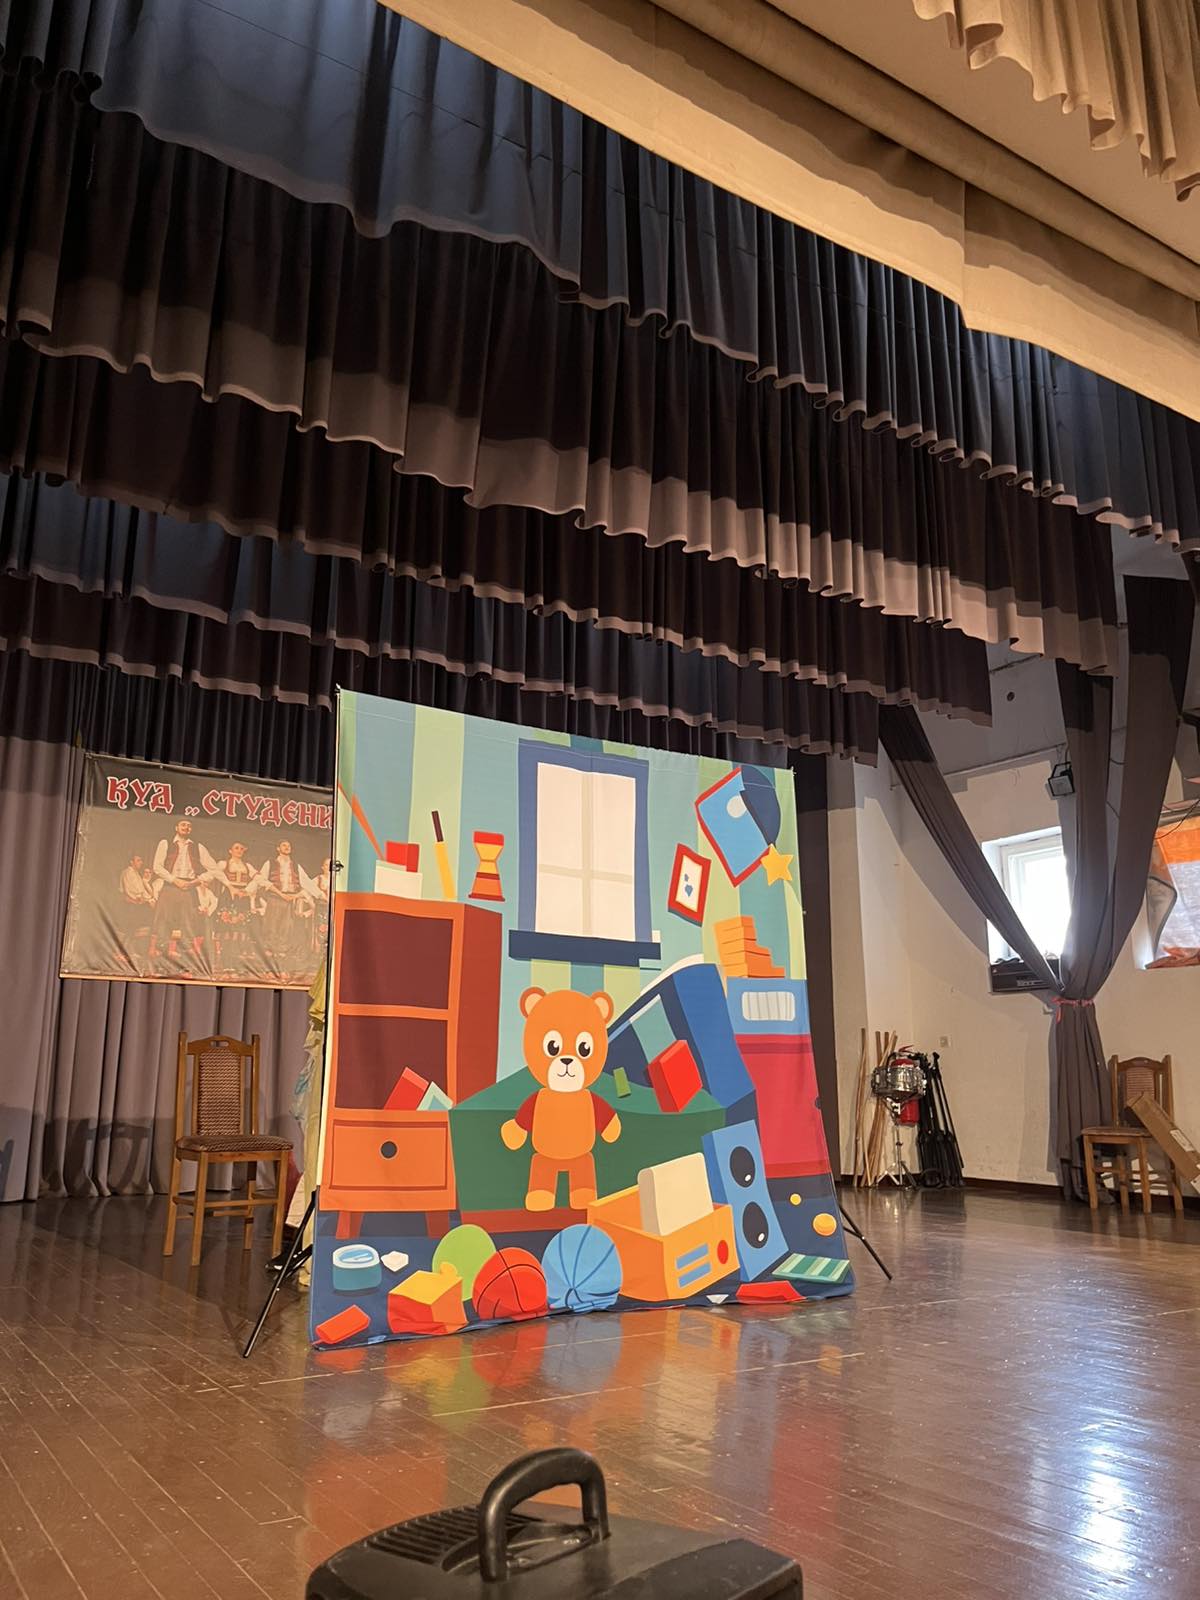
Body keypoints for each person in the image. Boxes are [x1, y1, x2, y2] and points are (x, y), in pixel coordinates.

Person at [150, 818, 217, 972]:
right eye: (183, 825)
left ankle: (184, 966)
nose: (186, 827)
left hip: (189, 888)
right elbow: (157, 867)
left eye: (189, 826)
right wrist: (174, 880)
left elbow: (213, 869)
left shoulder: (198, 847)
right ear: (176, 827)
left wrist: (196, 881)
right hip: (170, 886)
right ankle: (160, 965)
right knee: (163, 923)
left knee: (187, 925)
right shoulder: (166, 843)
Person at [257, 839, 307, 976]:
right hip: (275, 899)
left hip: (289, 901)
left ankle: (282, 969)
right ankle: (269, 969)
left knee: (286, 932)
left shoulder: (295, 866)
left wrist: (295, 895)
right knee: (271, 930)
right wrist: (279, 893)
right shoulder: (270, 863)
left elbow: (306, 883)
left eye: (289, 845)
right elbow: (261, 880)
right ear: (278, 848)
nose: (287, 847)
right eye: (284, 845)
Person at [213, 840, 257, 973]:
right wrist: (229, 886)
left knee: (239, 930)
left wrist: (247, 890)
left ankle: (236, 963)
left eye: (242, 849)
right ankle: (226, 962)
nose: (239, 851)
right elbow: (215, 873)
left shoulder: (248, 866)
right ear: (230, 851)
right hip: (228, 897)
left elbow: (258, 878)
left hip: (242, 897)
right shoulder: (224, 864)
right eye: (236, 848)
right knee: (227, 929)